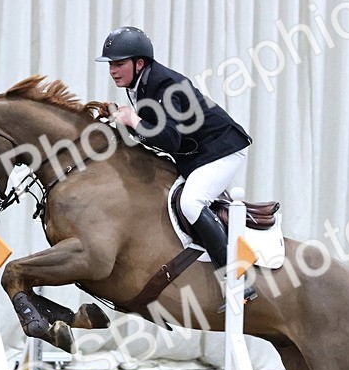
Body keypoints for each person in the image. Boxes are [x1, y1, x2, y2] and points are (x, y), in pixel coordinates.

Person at [96, 26, 256, 302]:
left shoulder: (165, 85)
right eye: (110, 64)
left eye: (119, 63)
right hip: (197, 155)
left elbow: (169, 139)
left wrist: (133, 120)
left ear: (139, 63)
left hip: (223, 150)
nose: (112, 70)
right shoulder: (140, 84)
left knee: (191, 203)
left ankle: (238, 279)